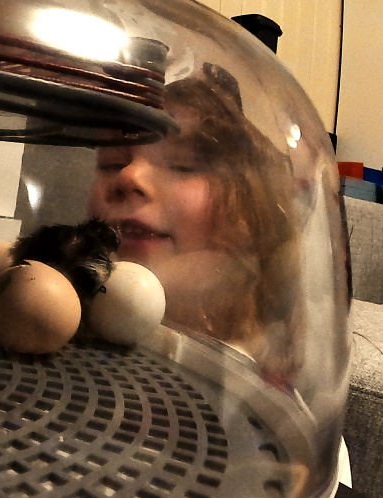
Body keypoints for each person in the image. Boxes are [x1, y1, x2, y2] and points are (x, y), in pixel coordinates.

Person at [87, 63, 302, 382]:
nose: (128, 175)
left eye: (183, 166)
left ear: (252, 212)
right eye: (112, 163)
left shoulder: (263, 373)